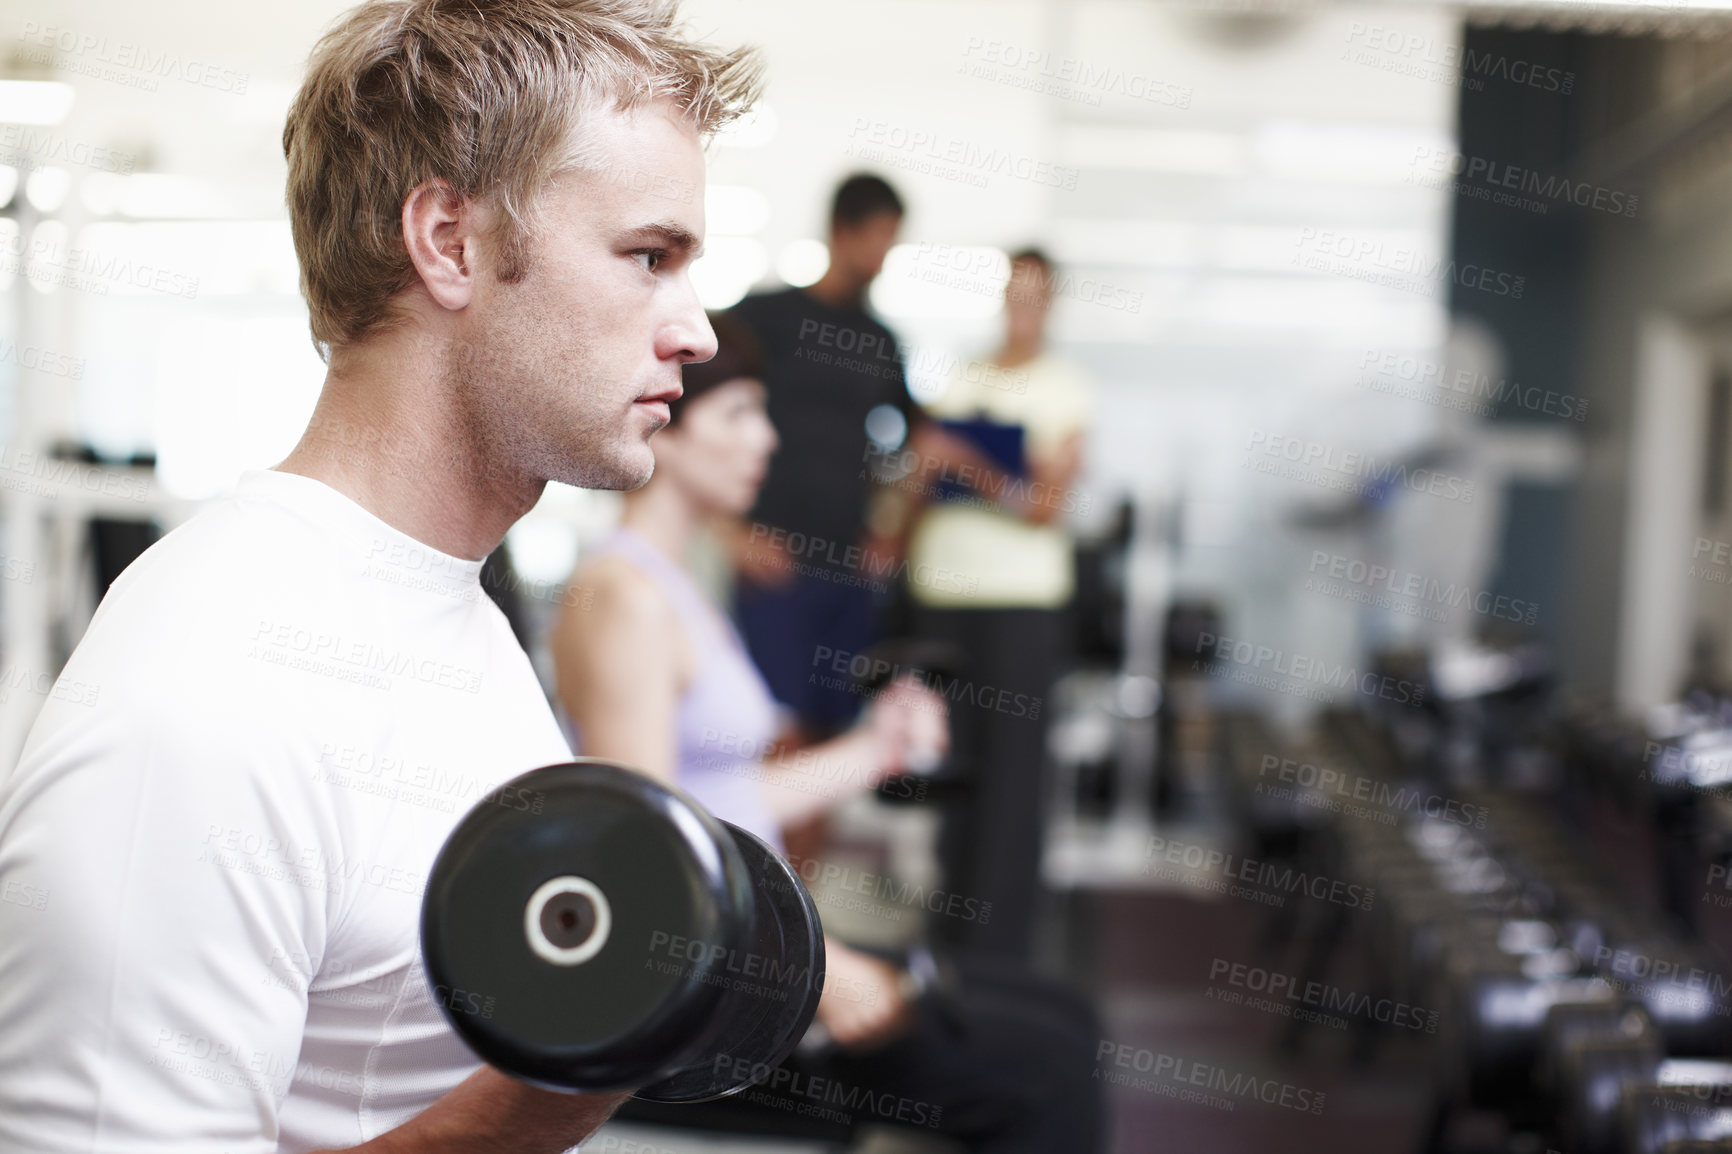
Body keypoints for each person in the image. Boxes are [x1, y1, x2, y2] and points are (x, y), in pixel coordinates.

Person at [0, 3, 759, 1152]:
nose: (695, 332)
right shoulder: (200, 698)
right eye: (647, 256)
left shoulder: (448, 602)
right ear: (448, 240)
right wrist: (539, 1101)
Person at [552, 313, 1105, 1153]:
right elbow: (649, 865)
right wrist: (815, 974)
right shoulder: (620, 597)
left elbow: (708, 800)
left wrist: (872, 750)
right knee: (1047, 1067)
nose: (768, 441)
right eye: (741, 415)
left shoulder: (679, 587)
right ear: (663, 422)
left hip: (734, 955)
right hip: (685, 1007)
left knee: (1063, 1010)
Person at [900, 248, 1095, 963]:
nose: (1022, 309)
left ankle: (1002, 948)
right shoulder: (962, 380)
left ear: (1053, 303)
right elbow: (916, 485)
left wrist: (969, 464)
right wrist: (926, 472)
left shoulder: (1065, 389)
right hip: (943, 598)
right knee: (952, 768)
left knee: (1014, 776)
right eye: (1013, 294)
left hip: (1019, 605)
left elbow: (1044, 507)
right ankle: (947, 932)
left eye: (1035, 296)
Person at [726, 173, 918, 743]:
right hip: (774, 565)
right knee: (775, 733)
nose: (885, 254)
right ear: (840, 230)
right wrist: (729, 533)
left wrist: (893, 533)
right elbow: (685, 418)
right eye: (878, 236)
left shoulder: (881, 341)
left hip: (849, 572)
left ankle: (814, 839)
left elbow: (915, 447)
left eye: (894, 239)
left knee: (831, 735)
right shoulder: (764, 318)